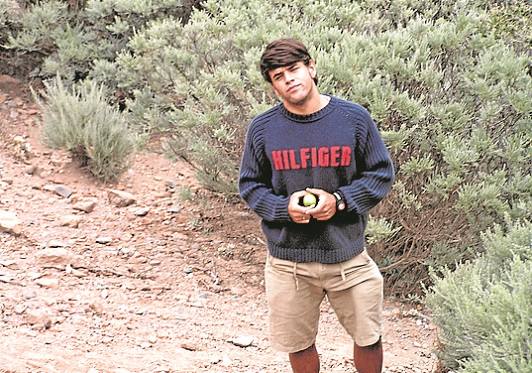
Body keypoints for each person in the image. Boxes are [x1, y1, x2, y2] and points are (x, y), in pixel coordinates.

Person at [238, 38, 395, 373]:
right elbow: (250, 185)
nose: (288, 79)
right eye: (278, 76)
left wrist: (338, 201)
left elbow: (381, 174)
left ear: (311, 67)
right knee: (298, 343)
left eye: (294, 69)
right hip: (288, 261)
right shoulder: (263, 129)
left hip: (348, 255)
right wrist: (285, 208)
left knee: (369, 337)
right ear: (273, 86)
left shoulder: (353, 119)